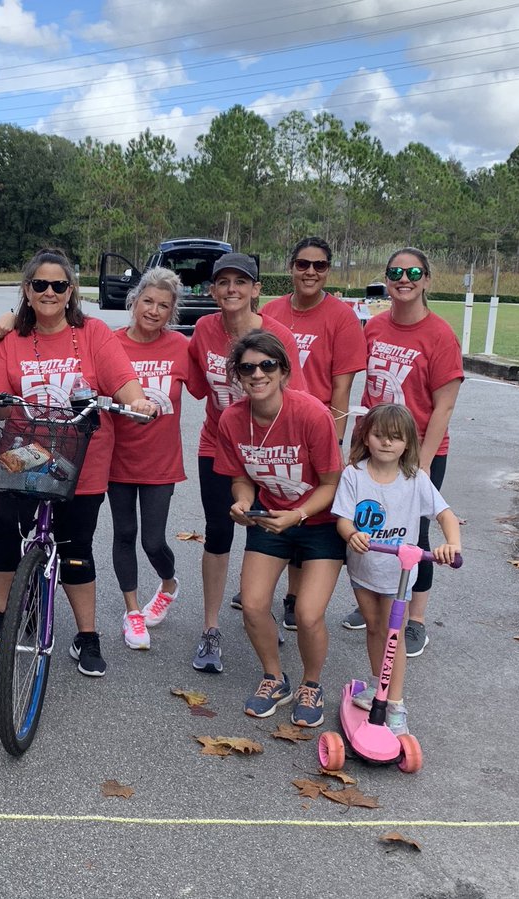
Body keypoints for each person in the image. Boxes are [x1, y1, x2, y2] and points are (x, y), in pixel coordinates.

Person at [0, 248, 157, 678]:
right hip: (24, 456)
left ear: (71, 290)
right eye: (40, 284)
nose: (49, 292)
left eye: (59, 285)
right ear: (27, 290)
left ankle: (87, 635)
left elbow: (124, 382)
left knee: (77, 547)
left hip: (82, 460)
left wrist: (138, 401)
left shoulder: (94, 334)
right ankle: (3, 615)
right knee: (5, 529)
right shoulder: (13, 339)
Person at [216, 331, 344, 726]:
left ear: (284, 370)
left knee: (307, 614)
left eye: (267, 365)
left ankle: (312, 683)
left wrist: (299, 515)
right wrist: (241, 502)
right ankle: (274, 677)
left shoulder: (311, 414)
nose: (258, 374)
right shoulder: (232, 419)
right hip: (269, 518)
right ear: (237, 376)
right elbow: (241, 478)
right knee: (252, 605)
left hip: (319, 522)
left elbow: (331, 484)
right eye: (247, 367)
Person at [344, 247, 463, 655]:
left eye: (414, 271)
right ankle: (377, 598)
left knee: (416, 532)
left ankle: (415, 619)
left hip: (418, 450)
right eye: (396, 271)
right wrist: (357, 444)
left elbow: (444, 404)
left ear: (427, 279)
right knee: (371, 523)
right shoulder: (374, 326)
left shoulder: (440, 335)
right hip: (373, 444)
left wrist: (424, 461)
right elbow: (366, 387)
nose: (404, 278)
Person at [186, 253, 296, 674]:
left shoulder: (277, 334)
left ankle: (259, 611)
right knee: (218, 532)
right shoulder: (203, 330)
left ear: (256, 289)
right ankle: (211, 628)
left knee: (265, 530)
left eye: (240, 281)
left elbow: (292, 399)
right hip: (218, 445)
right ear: (212, 291)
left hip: (266, 449)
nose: (231, 289)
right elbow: (195, 384)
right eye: (223, 282)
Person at [332, 404, 461, 735]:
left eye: (395, 438)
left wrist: (451, 544)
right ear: (367, 437)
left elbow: (445, 515)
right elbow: (343, 518)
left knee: (394, 635)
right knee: (375, 628)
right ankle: (379, 687)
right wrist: (351, 533)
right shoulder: (354, 475)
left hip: (400, 574)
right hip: (363, 568)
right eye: (379, 435)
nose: (386, 443)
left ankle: (395, 704)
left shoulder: (415, 479)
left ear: (407, 444)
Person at [261, 237, 367, 630]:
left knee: (311, 516)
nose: (310, 272)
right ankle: (271, 585)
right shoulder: (271, 311)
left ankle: (294, 596)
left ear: (328, 271)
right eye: (303, 264)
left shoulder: (340, 318)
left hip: (317, 429)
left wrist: (335, 441)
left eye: (320, 266)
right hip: (273, 430)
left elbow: (342, 387)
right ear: (291, 267)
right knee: (276, 507)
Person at [107, 267, 190, 651]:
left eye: (163, 306)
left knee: (154, 541)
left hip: (161, 461)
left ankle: (169, 584)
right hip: (117, 458)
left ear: (172, 312)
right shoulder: (110, 343)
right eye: (148, 301)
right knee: (124, 534)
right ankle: (132, 611)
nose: (154, 311)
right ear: (134, 301)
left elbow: (216, 383)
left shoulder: (180, 348)